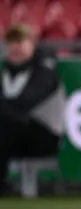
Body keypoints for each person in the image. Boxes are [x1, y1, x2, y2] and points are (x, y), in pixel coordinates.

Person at [0, 24, 64, 196]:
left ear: (33, 44)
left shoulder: (45, 70)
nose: (15, 48)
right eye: (11, 42)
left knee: (5, 125)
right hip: (15, 134)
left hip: (46, 135)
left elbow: (28, 100)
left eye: (21, 42)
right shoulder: (7, 71)